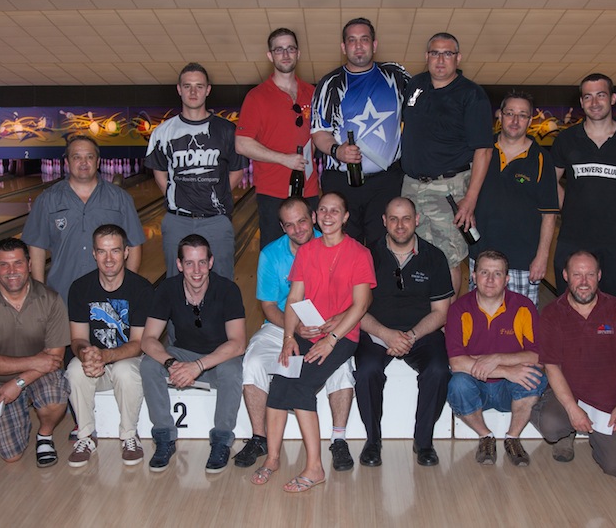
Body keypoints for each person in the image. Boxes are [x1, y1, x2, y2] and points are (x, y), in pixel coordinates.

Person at [251, 192, 375, 493]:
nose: (329, 215)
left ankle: (315, 467)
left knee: (302, 386)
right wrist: (289, 337)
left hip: (343, 335)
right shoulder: (308, 252)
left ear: (345, 217)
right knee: (281, 379)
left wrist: (331, 340)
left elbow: (361, 304)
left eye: (336, 210)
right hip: (309, 333)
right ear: (316, 215)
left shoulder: (359, 253)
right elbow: (293, 298)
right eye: (323, 210)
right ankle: (274, 457)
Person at [356, 197, 453, 467]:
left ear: (417, 220)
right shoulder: (367, 255)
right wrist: (386, 334)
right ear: (384, 221)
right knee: (367, 371)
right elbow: (356, 310)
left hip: (421, 333)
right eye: (394, 219)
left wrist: (409, 336)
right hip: (377, 330)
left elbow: (440, 313)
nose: (400, 225)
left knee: (438, 370)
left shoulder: (434, 257)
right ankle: (372, 441)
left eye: (406, 218)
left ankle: (424, 442)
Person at [531, 251, 616, 477]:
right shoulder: (552, 313)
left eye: (590, 274)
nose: (583, 282)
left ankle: (598, 435)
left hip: (607, 402)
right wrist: (573, 410)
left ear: (599, 276)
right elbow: (551, 366)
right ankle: (568, 432)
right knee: (551, 425)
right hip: (568, 396)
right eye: (577, 274)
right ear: (565, 276)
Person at [140, 235, 246, 473]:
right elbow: (147, 340)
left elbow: (238, 344)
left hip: (218, 359)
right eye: (189, 263)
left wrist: (198, 366)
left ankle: (221, 440)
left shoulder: (228, 290)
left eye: (201, 262)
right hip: (182, 355)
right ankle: (164, 437)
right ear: (179, 265)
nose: (196, 270)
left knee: (232, 369)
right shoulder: (167, 289)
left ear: (211, 262)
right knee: (148, 365)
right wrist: (170, 363)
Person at [401, 32, 494, 297]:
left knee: (449, 256)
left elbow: (484, 151)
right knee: (412, 252)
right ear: (426, 57)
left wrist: (470, 199)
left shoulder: (471, 95)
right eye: (434, 53)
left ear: (458, 58)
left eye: (447, 54)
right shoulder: (416, 85)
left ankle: (447, 324)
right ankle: (422, 314)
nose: (440, 60)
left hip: (449, 188)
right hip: (411, 185)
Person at [0, 238, 70, 467]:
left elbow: (54, 357)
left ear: (29, 265)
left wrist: (19, 382)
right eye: (4, 264)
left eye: (18, 263)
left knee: (55, 396)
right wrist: (35, 361)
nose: (12, 271)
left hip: (41, 376)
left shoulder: (50, 300)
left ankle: (44, 435)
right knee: (11, 455)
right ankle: (16, 413)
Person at [551, 73, 616, 298]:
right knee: (568, 307)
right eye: (588, 97)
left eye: (600, 95)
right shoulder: (567, 140)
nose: (594, 103)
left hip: (614, 242)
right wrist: (568, 207)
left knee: (610, 311)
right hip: (572, 239)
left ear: (613, 98)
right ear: (581, 102)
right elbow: (550, 180)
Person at [311, 17, 410, 246]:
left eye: (364, 40)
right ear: (343, 47)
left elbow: (420, 112)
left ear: (374, 45)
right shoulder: (330, 84)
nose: (358, 46)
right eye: (352, 40)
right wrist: (337, 151)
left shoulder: (395, 76)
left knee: (384, 248)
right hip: (342, 182)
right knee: (344, 247)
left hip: (386, 181)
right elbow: (319, 133)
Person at [145, 62, 248, 280]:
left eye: (199, 86)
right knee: (175, 283)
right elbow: (160, 173)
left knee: (222, 283)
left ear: (208, 89)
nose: (193, 92)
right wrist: (181, 197)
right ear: (179, 89)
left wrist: (214, 195)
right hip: (177, 220)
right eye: (188, 86)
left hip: (216, 220)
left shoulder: (227, 130)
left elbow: (237, 171)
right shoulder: (162, 132)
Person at [445, 250, 546, 467]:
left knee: (534, 376)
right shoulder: (458, 310)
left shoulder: (523, 307)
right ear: (473, 276)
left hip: (508, 391)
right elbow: (457, 363)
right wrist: (506, 369)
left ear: (507, 279)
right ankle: (485, 436)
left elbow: (538, 356)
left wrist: (495, 358)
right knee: (458, 383)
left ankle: (512, 438)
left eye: (497, 274)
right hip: (476, 387)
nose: (490, 280)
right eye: (484, 272)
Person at [65, 225, 154, 467]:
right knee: (74, 369)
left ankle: (128, 436)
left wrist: (105, 355)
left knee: (125, 371)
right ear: (94, 253)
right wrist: (87, 354)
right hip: (98, 364)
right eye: (102, 252)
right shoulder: (80, 288)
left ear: (126, 252)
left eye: (115, 251)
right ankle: (85, 436)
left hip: (129, 360)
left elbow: (138, 344)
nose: (108, 259)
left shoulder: (142, 289)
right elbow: (78, 338)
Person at [23, 135, 145, 305]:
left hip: (110, 295)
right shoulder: (47, 199)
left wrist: (128, 288)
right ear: (67, 162)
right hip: (61, 294)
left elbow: (134, 245)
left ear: (98, 161)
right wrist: (39, 290)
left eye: (89, 157)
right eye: (76, 157)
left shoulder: (120, 199)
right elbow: (37, 247)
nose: (83, 162)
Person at [469, 91, 559, 306]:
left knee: (520, 327)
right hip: (482, 258)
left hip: (523, 261)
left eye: (522, 115)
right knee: (480, 325)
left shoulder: (541, 159)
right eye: (510, 113)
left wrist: (542, 257)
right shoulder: (481, 151)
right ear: (499, 115)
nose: (515, 120)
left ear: (530, 119)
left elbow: (549, 214)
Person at [236, 28, 320, 249]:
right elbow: (242, 143)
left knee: (313, 258)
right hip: (273, 192)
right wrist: (284, 159)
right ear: (270, 55)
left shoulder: (313, 93)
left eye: (290, 48)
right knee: (276, 256)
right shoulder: (257, 97)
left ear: (298, 53)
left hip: (309, 191)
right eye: (279, 49)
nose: (285, 54)